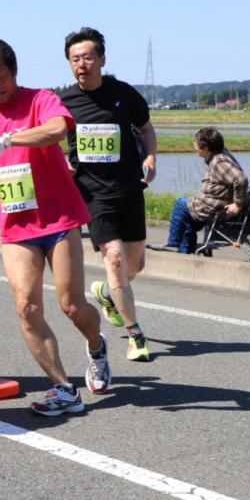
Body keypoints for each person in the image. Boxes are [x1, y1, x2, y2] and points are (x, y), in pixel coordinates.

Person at [0, 38, 110, 416]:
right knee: (27, 306)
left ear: (13, 72)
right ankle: (63, 389)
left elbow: (59, 129)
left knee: (73, 306)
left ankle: (96, 344)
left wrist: (9, 139)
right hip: (16, 224)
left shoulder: (39, 99)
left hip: (59, 218)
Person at [60, 27, 157, 362]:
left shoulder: (124, 94)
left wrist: (150, 155)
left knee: (135, 264)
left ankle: (107, 293)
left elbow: (145, 128)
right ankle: (136, 336)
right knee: (113, 259)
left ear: (101, 59)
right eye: (75, 59)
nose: (82, 64)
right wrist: (62, 163)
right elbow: (47, 138)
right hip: (92, 193)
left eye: (88, 57)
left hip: (129, 189)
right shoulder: (64, 101)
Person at [155, 127, 247, 253]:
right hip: (214, 204)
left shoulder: (218, 162)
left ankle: (173, 244)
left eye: (196, 143)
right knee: (188, 220)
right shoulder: (221, 153)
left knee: (181, 205)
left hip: (215, 208)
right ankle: (185, 252)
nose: (194, 145)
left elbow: (240, 179)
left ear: (206, 147)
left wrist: (237, 204)